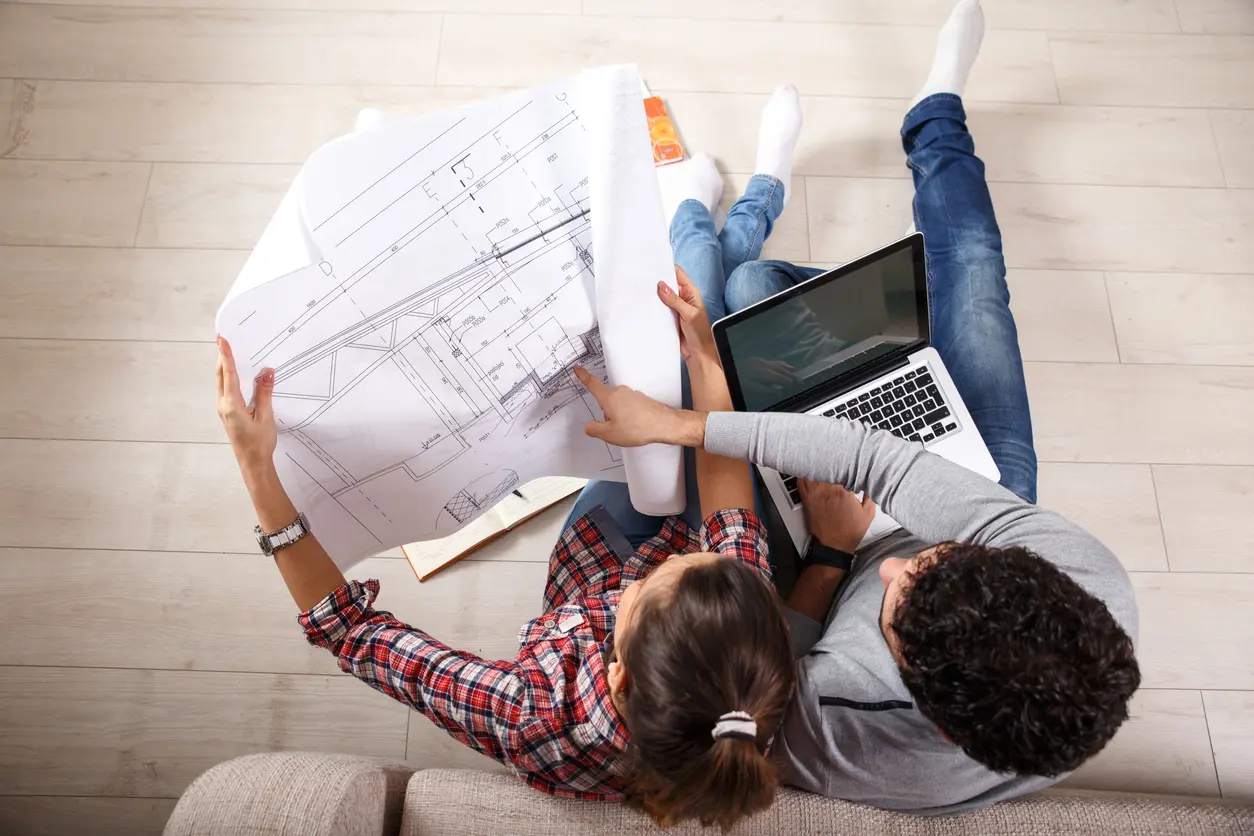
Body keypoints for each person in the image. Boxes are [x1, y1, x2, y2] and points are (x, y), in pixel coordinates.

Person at [572, 0, 1141, 814]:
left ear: (936, 718)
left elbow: (760, 650)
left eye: (898, 602)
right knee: (972, 279)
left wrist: (840, 558)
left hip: (822, 558)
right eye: (938, 559)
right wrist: (679, 424)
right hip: (985, 487)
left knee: (743, 297)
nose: (905, 558)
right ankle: (935, 111)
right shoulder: (1090, 593)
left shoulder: (842, 735)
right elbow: (881, 459)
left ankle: (757, 247)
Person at [214, 269, 794, 826]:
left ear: (617, 678)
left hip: (591, 565)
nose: (665, 560)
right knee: (700, 379)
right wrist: (703, 360)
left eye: (641, 589)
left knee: (653, 436)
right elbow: (730, 520)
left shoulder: (530, 716)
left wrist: (257, 469)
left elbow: (352, 632)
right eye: (698, 559)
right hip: (642, 593)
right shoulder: (745, 654)